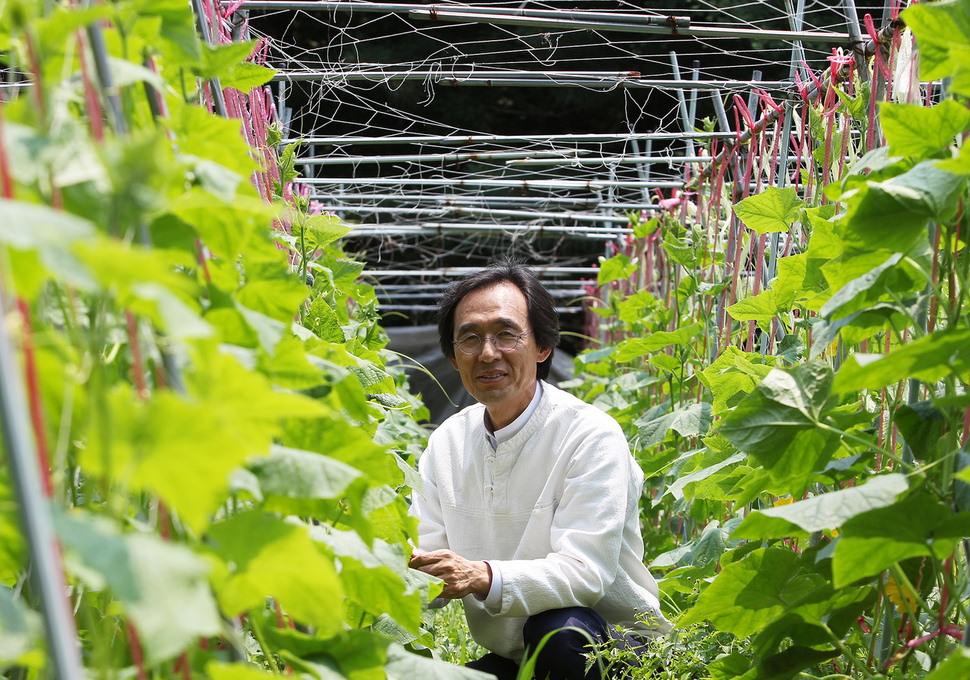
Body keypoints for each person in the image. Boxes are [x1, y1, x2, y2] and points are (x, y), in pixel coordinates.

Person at [409, 262, 670, 680]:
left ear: (543, 347)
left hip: (612, 651)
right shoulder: (447, 443)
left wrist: (481, 575)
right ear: (455, 358)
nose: (488, 352)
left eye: (506, 334)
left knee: (558, 629)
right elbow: (425, 560)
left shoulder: (590, 435)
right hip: (517, 657)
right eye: (470, 338)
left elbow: (586, 574)